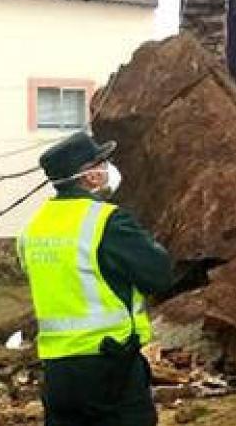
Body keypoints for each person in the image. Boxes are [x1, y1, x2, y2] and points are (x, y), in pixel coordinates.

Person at [18, 131, 172, 426]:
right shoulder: (107, 221)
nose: (108, 168)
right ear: (89, 176)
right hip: (110, 365)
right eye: (102, 162)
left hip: (57, 371)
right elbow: (159, 275)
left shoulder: (33, 229)